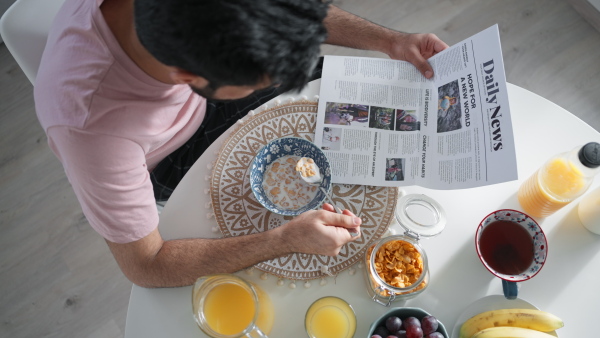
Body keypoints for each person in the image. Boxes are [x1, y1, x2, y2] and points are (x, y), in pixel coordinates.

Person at [34, 0, 448, 288]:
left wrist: (388, 41)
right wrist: (282, 242)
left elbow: (275, 13)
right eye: (261, 82)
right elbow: (147, 266)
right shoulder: (91, 131)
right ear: (188, 79)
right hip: (173, 154)